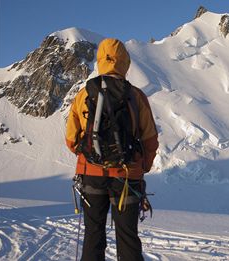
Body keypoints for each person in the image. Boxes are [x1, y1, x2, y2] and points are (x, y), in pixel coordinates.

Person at [65, 38, 158, 261]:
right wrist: (142, 166)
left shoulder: (84, 95)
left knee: (93, 234)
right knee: (127, 237)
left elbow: (71, 138)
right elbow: (150, 139)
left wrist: (88, 155)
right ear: (125, 62)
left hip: (91, 176)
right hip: (127, 177)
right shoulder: (136, 96)